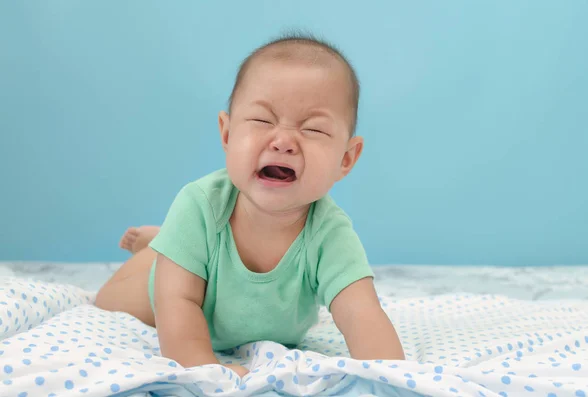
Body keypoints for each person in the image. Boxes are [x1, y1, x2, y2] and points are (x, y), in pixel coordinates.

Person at [95, 33, 405, 378]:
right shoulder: (200, 205)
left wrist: (393, 378)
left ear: (346, 159)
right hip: (158, 291)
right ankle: (161, 249)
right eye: (262, 121)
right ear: (227, 135)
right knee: (107, 301)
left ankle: (169, 243)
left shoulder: (329, 233)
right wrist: (207, 369)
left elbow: (362, 312)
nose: (284, 141)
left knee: (188, 251)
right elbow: (175, 303)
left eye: (314, 129)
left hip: (219, 276)